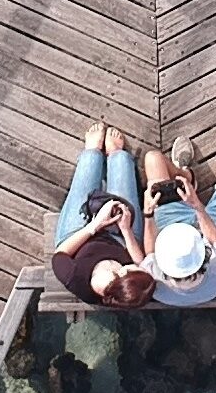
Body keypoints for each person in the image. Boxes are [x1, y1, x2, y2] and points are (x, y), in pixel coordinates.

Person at [50, 122, 156, 309]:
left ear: (121, 277)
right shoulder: (131, 285)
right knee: (122, 161)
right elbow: (140, 261)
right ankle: (115, 153)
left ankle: (93, 150)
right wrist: (126, 230)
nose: (132, 266)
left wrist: (94, 225)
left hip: (78, 236)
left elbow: (60, 254)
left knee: (89, 167)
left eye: (128, 269)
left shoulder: (75, 279)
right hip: (119, 237)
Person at [137, 136, 216, 307]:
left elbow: (150, 251)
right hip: (215, 231)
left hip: (171, 224)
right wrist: (197, 205)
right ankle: (185, 178)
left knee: (153, 159)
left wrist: (148, 214)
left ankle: (185, 175)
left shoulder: (154, 281)